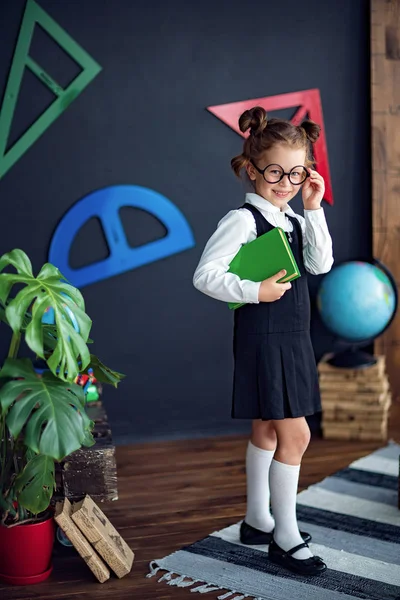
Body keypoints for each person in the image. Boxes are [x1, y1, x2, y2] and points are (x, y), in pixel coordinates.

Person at [193, 106, 334, 576]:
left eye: (296, 172)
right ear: (252, 168)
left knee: (269, 429)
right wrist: (255, 290)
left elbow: (320, 265)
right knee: (298, 434)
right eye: (275, 171)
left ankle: (257, 519)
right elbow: (205, 276)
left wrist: (313, 209)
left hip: (292, 338)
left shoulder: (293, 217)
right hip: (265, 338)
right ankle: (285, 537)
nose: (286, 181)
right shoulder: (243, 220)